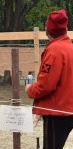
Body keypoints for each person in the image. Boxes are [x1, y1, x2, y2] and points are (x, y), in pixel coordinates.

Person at [25, 9, 73, 149]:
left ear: (47, 29)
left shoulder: (54, 50)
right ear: (65, 29)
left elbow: (46, 85)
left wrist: (30, 90)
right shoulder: (70, 47)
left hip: (56, 112)